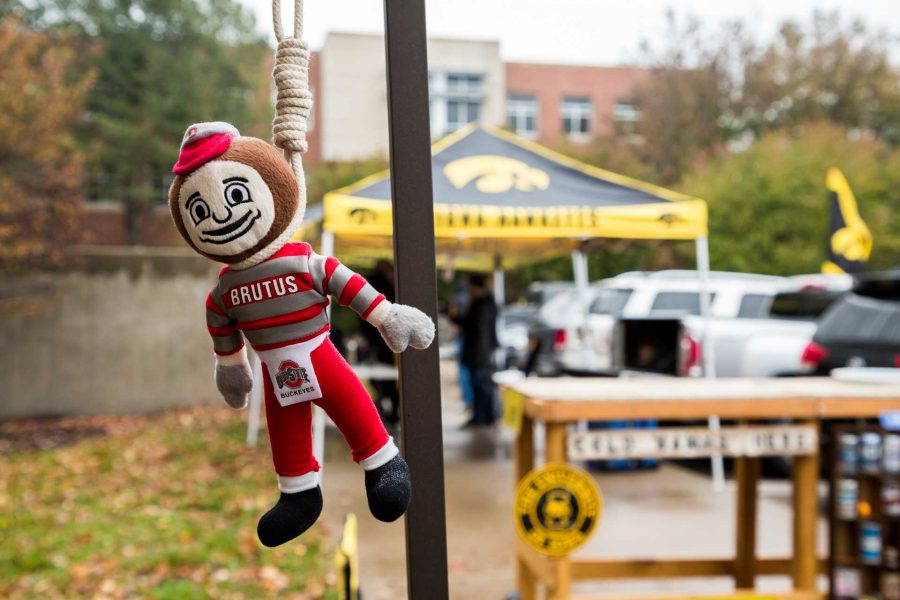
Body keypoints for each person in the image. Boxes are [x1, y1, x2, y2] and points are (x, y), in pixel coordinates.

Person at [363, 260, 401, 424]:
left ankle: (382, 409)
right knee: (389, 378)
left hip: (377, 339)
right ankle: (390, 410)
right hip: (388, 339)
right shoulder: (391, 288)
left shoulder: (370, 285)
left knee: (379, 377)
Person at [458, 274, 499, 427]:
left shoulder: (482, 305)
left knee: (481, 385)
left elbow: (480, 332)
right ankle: (484, 416)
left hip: (479, 353)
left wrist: (479, 355)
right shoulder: (486, 304)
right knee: (481, 385)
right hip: (481, 352)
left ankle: (484, 417)